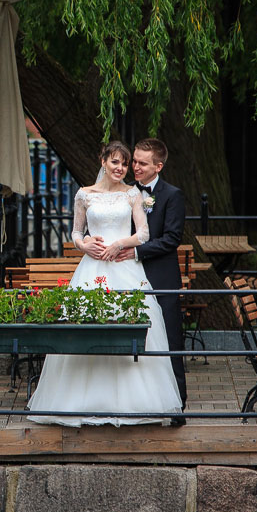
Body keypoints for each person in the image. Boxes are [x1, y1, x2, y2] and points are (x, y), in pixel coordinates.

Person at [26, 141, 182, 426]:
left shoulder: (133, 194)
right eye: (116, 162)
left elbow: (144, 234)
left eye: (125, 163)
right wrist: (85, 245)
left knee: (130, 327)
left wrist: (121, 243)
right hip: (92, 269)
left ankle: (135, 402)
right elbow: (75, 232)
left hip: (124, 267)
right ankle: (81, 402)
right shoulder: (84, 195)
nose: (121, 168)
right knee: (86, 328)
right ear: (103, 162)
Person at [114, 137, 188, 409]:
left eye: (142, 163)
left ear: (158, 166)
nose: (135, 167)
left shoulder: (172, 195)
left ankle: (177, 403)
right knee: (134, 342)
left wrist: (135, 251)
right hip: (127, 277)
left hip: (160, 278)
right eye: (134, 161)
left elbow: (171, 239)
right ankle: (138, 403)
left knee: (170, 341)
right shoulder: (126, 193)